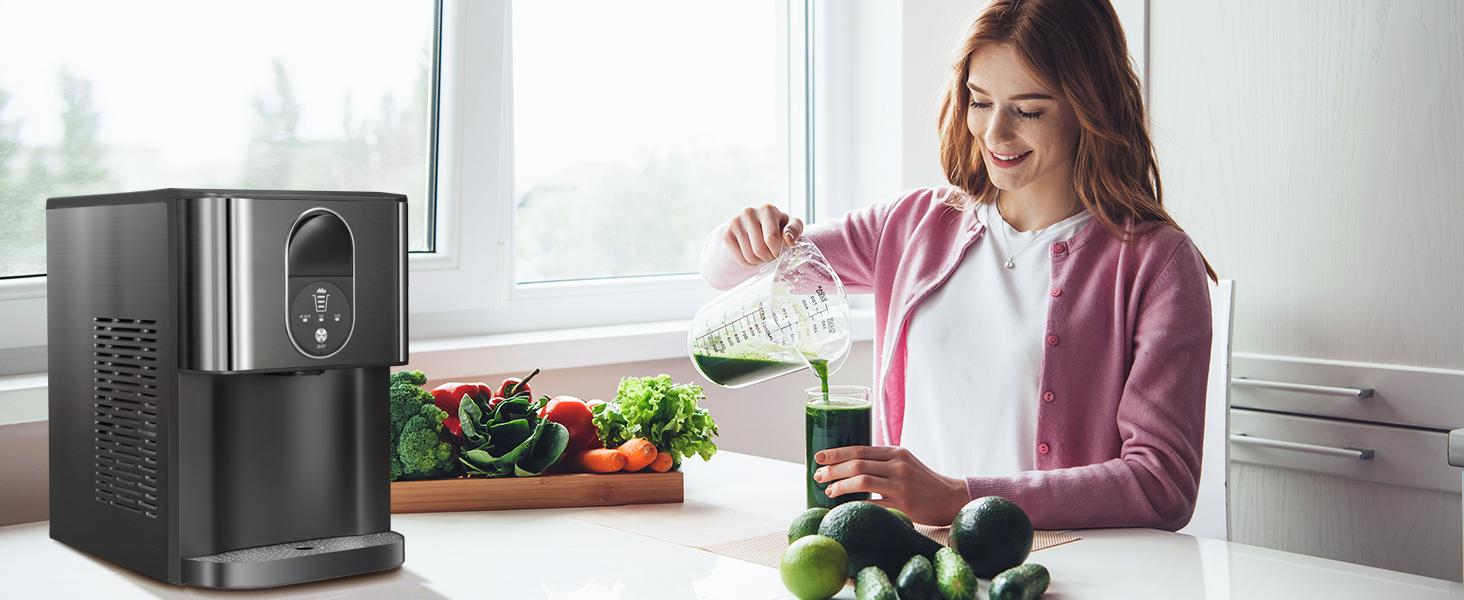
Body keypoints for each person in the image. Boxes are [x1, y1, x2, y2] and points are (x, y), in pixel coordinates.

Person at [700, 0, 1216, 531]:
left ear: (1091, 106)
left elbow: (1162, 484)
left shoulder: (1155, 264)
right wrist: (739, 237)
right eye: (980, 101)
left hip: (1057, 569)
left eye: (1029, 110)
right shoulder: (913, 225)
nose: (995, 133)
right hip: (910, 563)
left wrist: (959, 496)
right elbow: (727, 275)